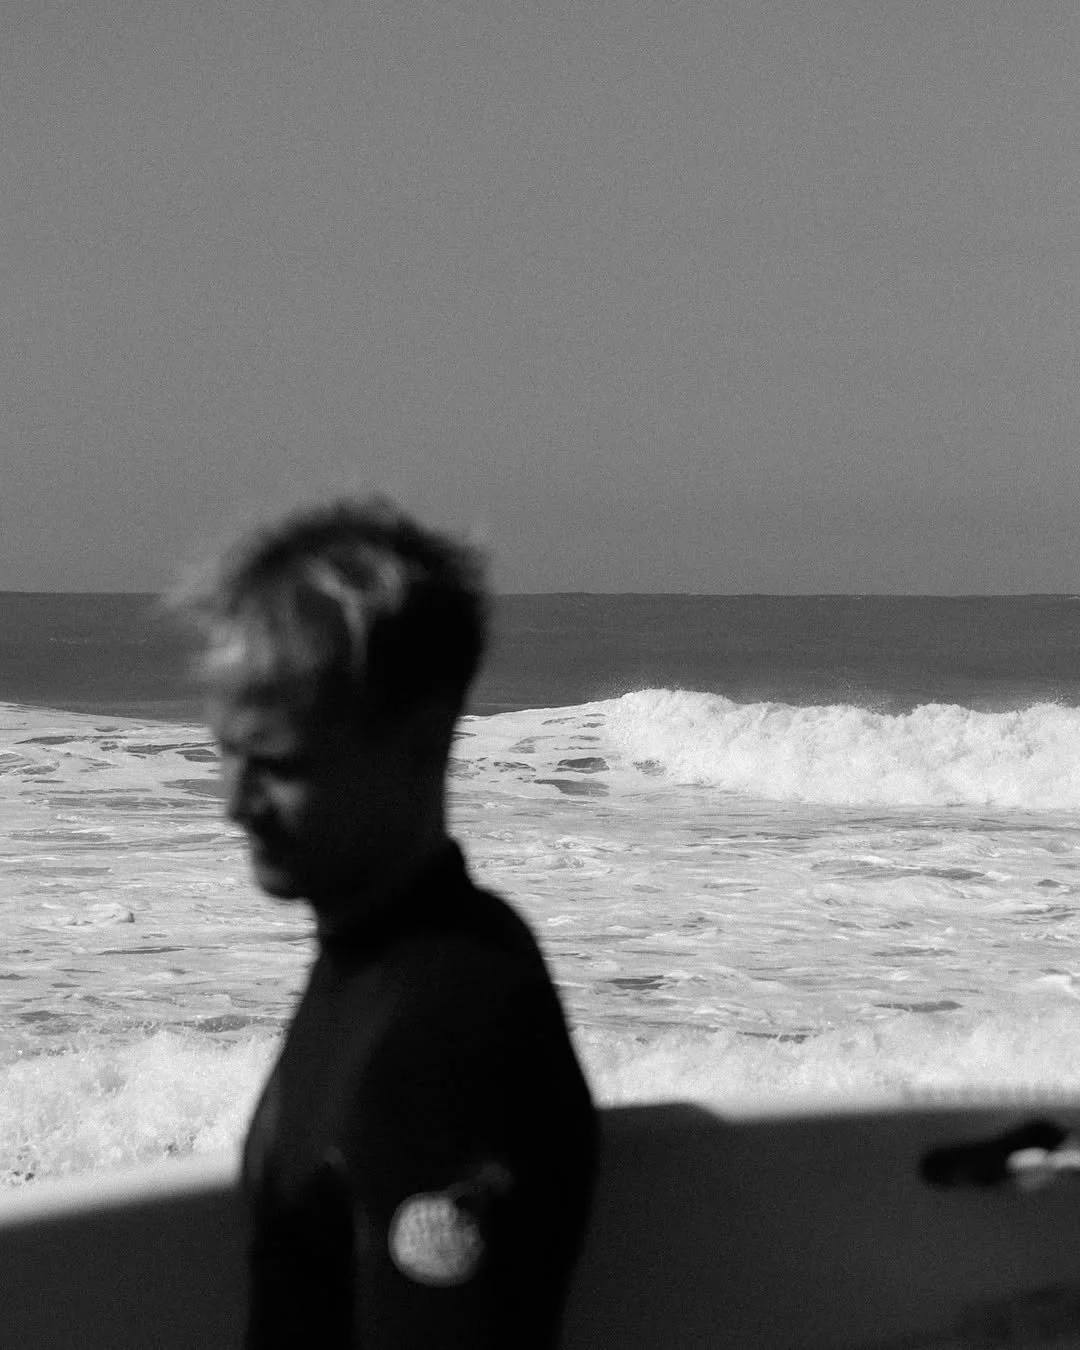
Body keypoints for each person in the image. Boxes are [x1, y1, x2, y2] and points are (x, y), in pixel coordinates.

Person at [176, 496, 597, 1348]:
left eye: (278, 764)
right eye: (227, 751)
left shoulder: (450, 1021)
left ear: (421, 744)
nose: (234, 804)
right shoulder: (368, 963)